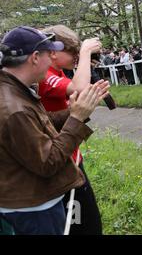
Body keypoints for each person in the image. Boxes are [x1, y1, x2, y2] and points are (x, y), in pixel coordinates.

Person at [0, 26, 108, 235]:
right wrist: (76, 118)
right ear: (34, 58)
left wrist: (74, 111)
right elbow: (48, 162)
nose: (52, 61)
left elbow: (40, 124)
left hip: (28, 201)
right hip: (33, 208)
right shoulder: (14, 108)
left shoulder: (15, 91)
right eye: (50, 54)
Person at [38, 25, 104, 235]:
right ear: (54, 52)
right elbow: (78, 88)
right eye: (72, 51)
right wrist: (84, 52)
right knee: (81, 224)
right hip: (59, 159)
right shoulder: (44, 75)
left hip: (70, 152)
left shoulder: (56, 71)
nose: (76, 56)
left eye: (78, 51)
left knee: (87, 219)